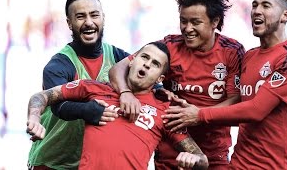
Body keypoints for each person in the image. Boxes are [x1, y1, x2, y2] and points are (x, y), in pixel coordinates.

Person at [161, 0, 287, 169]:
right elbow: (237, 107)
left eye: (266, 5)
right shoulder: (249, 56)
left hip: (279, 165)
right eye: (255, 5)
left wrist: (199, 115)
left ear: (285, 16)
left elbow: (256, 110)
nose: (256, 10)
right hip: (240, 163)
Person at [109, 0, 246, 169]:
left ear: (215, 21)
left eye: (195, 22)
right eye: (183, 21)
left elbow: (236, 101)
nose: (187, 29)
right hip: (170, 153)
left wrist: (198, 115)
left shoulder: (232, 51)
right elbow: (118, 68)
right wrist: (125, 93)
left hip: (213, 153)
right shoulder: (170, 46)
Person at [26, 42, 209, 170]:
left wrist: (194, 159)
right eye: (144, 57)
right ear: (132, 60)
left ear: (160, 78)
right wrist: (34, 118)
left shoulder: (164, 111)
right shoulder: (93, 88)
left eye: (155, 64)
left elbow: (202, 159)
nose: (147, 64)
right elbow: (42, 96)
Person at [26, 0, 129, 169]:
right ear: (69, 22)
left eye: (94, 15)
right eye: (80, 16)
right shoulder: (59, 65)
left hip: (90, 164)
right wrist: (87, 110)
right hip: (52, 162)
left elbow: (150, 77)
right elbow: (60, 107)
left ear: (103, 18)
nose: (89, 22)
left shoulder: (120, 58)